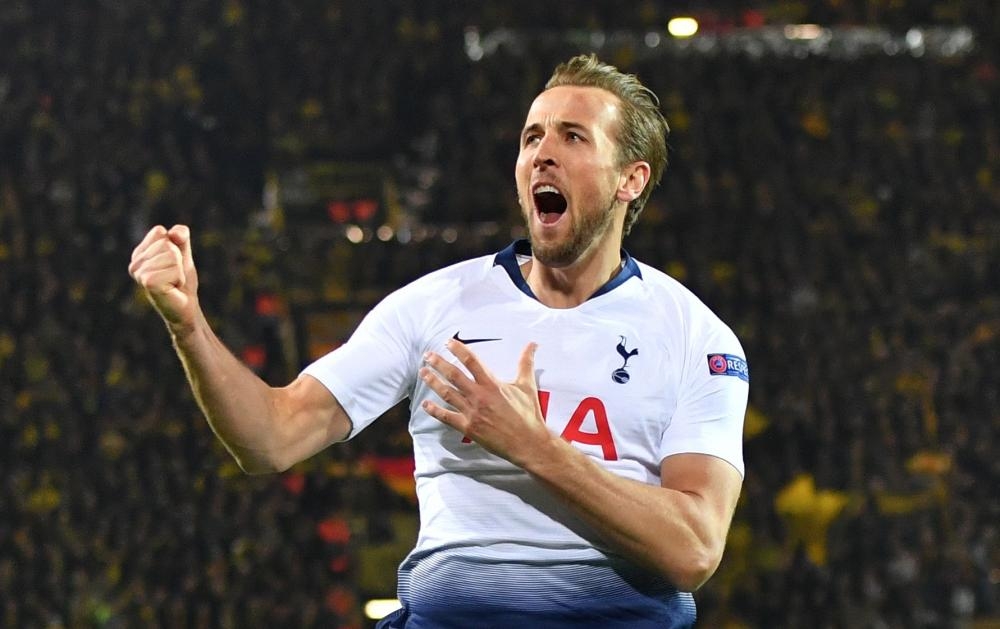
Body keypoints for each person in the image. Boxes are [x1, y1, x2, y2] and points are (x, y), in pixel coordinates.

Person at [129, 54, 749, 628]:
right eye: (532, 136)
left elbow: (694, 548)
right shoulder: (433, 305)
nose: (542, 154)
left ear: (630, 180)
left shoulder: (696, 337)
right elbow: (270, 438)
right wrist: (190, 328)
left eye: (573, 137)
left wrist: (534, 447)